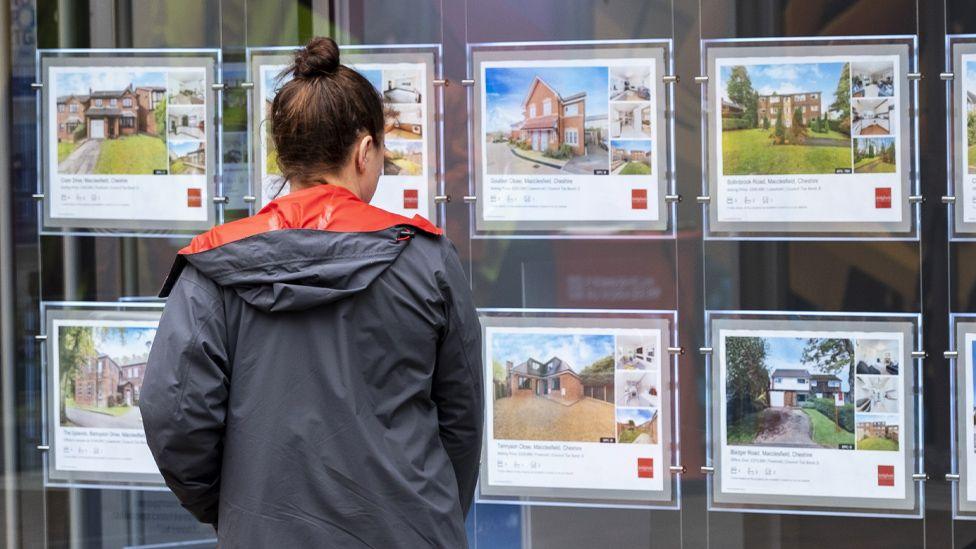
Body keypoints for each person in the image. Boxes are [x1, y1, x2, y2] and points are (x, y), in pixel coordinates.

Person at [140, 36, 483, 548]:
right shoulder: (427, 260)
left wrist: (237, 508)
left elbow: (173, 413)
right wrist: (426, 511)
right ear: (366, 151)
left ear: (283, 155)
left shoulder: (214, 267)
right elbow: (463, 417)